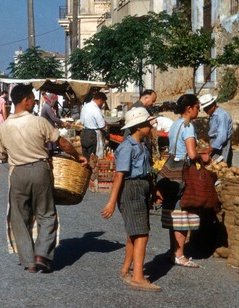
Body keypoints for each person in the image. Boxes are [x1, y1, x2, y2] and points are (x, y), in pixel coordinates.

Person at [0, 84, 87, 273]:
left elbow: (1, 155)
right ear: (26, 100)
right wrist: (79, 157)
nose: (34, 102)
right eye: (32, 99)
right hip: (40, 170)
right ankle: (42, 255)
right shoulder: (38, 122)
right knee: (46, 212)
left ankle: (29, 262)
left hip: (17, 173)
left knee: (19, 217)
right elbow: (62, 143)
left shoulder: (4, 127)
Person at [101, 107, 162, 292]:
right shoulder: (127, 147)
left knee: (133, 233)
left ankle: (125, 270)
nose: (150, 126)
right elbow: (119, 175)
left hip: (140, 187)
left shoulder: (141, 145)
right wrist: (112, 201)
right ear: (137, 127)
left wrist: (154, 190)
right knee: (141, 233)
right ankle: (137, 277)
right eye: (146, 124)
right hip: (131, 189)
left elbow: (147, 173)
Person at [156, 94, 209, 268]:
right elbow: (192, 153)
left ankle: (174, 251)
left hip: (172, 170)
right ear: (189, 108)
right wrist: (204, 158)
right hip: (183, 172)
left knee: (173, 212)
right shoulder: (188, 126)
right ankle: (179, 255)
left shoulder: (175, 124)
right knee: (182, 213)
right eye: (197, 106)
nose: (199, 110)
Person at [199, 93, 233, 166]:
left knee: (221, 165)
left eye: (206, 109)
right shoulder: (213, 115)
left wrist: (209, 150)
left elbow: (222, 137)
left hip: (222, 144)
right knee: (213, 164)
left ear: (213, 106)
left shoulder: (221, 115)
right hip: (215, 143)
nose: (205, 111)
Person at [80, 91, 107, 160]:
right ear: (100, 100)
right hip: (92, 134)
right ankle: (91, 170)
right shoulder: (96, 109)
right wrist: (105, 123)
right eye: (103, 102)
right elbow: (102, 125)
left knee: (85, 156)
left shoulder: (85, 106)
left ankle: (86, 170)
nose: (102, 105)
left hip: (84, 133)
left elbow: (81, 120)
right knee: (93, 157)